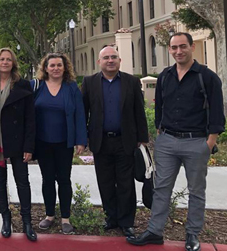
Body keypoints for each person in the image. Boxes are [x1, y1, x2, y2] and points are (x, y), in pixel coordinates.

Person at [128, 33, 225, 250]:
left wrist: (209, 143)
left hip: (196, 142)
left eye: (183, 46)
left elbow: (218, 114)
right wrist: (161, 134)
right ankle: (154, 231)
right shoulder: (165, 76)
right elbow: (160, 107)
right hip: (167, 141)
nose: (178, 51)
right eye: (174, 47)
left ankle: (192, 234)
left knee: (196, 191)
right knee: (161, 188)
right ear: (170, 50)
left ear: (191, 47)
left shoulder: (207, 77)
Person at [81, 46, 148, 237]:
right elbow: (83, 112)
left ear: (120, 60)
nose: (110, 60)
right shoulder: (89, 82)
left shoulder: (131, 82)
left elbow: (139, 112)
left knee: (126, 183)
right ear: (99, 62)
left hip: (125, 141)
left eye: (114, 57)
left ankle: (127, 222)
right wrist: (83, 139)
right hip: (101, 141)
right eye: (106, 58)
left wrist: (143, 139)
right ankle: (111, 218)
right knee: (106, 182)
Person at [0, 48, 37, 242]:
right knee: (0, 181)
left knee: (22, 181)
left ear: (13, 63)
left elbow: (30, 119)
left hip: (17, 141)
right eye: (1, 59)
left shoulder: (23, 85)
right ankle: (6, 218)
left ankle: (27, 221)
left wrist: (29, 146)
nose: (5, 62)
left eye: (8, 59)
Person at [32, 52, 87, 235]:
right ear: (45, 68)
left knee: (64, 179)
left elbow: (80, 114)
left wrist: (81, 140)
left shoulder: (71, 88)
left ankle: (65, 218)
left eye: (59, 65)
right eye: (52, 65)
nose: (56, 68)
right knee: (47, 179)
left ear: (65, 67)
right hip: (42, 143)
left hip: (65, 143)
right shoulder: (37, 87)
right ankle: (49, 216)